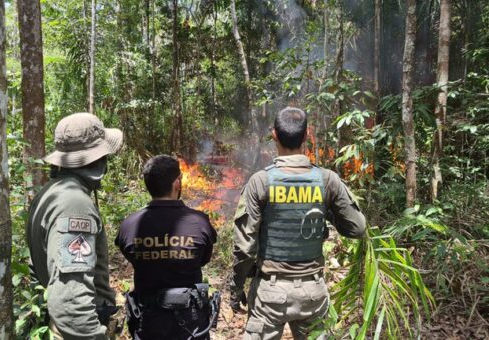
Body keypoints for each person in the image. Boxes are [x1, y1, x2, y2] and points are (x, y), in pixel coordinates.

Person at [230, 107, 366, 340]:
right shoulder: (327, 180)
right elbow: (357, 227)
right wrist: (326, 210)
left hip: (269, 294)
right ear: (306, 136)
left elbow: (245, 248)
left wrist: (236, 288)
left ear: (274, 135)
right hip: (312, 292)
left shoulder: (260, 182)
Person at [26, 113, 123, 339]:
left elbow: (36, 269)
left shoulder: (51, 192)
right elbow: (71, 300)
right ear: (97, 159)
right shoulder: (74, 204)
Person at [116, 155, 218, 340]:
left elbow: (132, 258)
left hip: (148, 324)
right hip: (191, 325)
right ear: (177, 183)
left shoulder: (129, 225)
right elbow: (203, 259)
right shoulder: (199, 222)